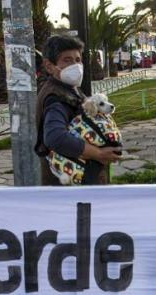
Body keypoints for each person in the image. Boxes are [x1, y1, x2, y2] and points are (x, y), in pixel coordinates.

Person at [35, 35, 121, 185]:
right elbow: (55, 137)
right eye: (67, 60)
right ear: (49, 66)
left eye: (78, 60)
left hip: (80, 181)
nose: (75, 65)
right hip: (70, 186)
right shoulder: (55, 98)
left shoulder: (68, 89)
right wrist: (98, 153)